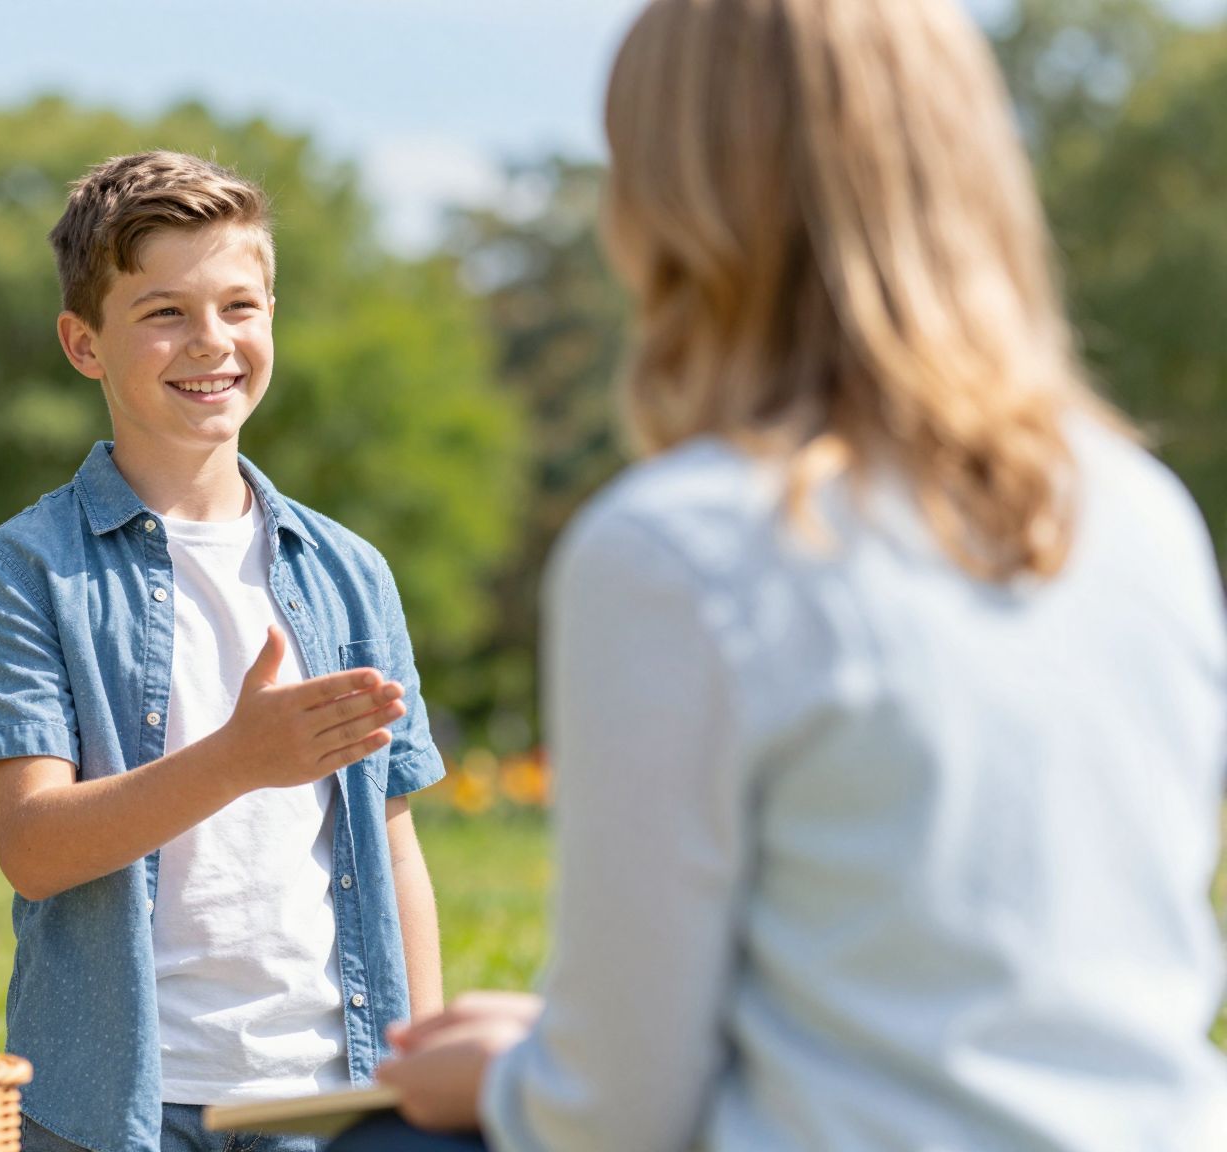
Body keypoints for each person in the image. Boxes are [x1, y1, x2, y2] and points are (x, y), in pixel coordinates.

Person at [340, 1, 1227, 1149]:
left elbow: (612, 1118)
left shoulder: (680, 548)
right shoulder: (1133, 508)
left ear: (671, 206)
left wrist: (511, 1077)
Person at [0, 151, 447, 1152]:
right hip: (113, 1109)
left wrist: (423, 1077)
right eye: (164, 312)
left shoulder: (349, 572)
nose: (210, 343)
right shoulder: (23, 571)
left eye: (240, 306)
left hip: (325, 1098)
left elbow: (392, 845)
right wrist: (236, 759)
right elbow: (33, 849)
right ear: (82, 344)